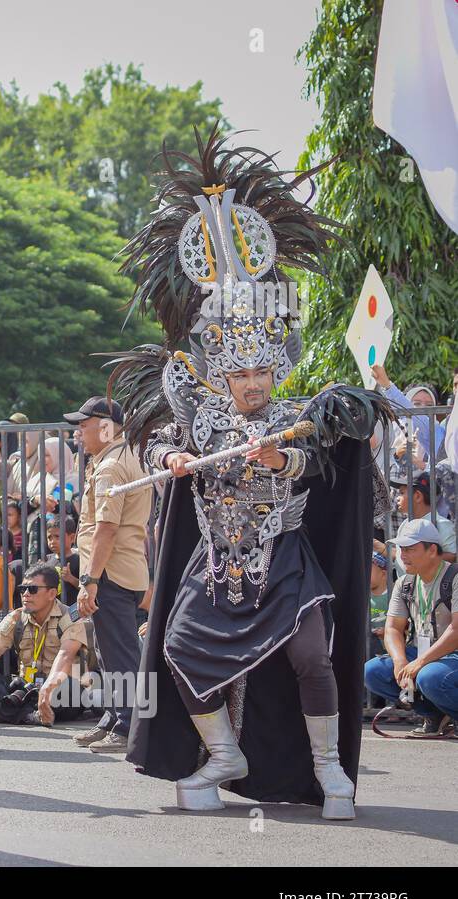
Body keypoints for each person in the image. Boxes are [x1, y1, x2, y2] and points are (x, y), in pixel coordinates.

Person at [114, 129, 389, 820]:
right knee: (175, 647)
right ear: (223, 375)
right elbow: (154, 448)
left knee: (312, 658)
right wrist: (170, 460)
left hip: (284, 557)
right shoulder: (201, 417)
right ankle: (225, 752)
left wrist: (281, 459)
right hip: (217, 561)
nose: (253, 384)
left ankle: (332, 774)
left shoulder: (296, 412)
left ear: (277, 368)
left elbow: (323, 454)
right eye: (241, 374)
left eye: (263, 371)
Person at [65, 396, 150, 755]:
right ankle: (116, 718)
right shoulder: (121, 457)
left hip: (110, 573)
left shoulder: (111, 467)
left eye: (84, 425)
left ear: (105, 427)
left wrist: (90, 580)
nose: (78, 432)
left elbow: (105, 529)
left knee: (120, 653)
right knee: (111, 649)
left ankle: (130, 724)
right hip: (121, 571)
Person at [0, 563, 89, 725]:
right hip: (26, 690)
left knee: (70, 686)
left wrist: (47, 688)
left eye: (32, 589)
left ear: (51, 593)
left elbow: (66, 655)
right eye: (22, 589)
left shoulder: (70, 616)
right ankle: (30, 715)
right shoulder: (16, 617)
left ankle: (10, 712)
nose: (25, 594)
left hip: (59, 690)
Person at [364, 520, 457, 736]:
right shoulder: (404, 582)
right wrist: (400, 662)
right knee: (373, 671)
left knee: (429, 676)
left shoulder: (454, 576)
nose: (403, 555)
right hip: (425, 655)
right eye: (401, 549)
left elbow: (456, 630)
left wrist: (419, 663)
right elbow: (393, 628)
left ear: (432, 549)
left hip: (452, 655)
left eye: (410, 549)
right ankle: (434, 716)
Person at [390, 472, 456, 566]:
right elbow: (400, 555)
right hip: (405, 580)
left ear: (418, 496)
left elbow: (453, 556)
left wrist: (421, 559)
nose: (397, 498)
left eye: (402, 493)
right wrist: (380, 548)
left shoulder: (441, 524)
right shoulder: (404, 524)